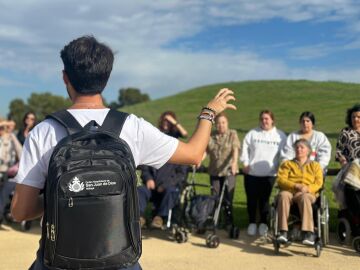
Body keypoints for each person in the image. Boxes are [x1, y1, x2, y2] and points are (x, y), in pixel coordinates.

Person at [10, 36, 236, 270]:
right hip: (119, 259)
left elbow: (20, 211)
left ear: (65, 76)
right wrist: (209, 112)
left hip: (60, 261)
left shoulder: (43, 131)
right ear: (106, 79)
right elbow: (195, 154)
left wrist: (63, 195)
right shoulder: (132, 127)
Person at [138, 111, 188, 229]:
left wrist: (165, 185)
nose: (165, 123)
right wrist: (148, 178)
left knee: (171, 191)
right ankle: (139, 217)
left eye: (168, 121)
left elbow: (181, 174)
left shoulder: (178, 148)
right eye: (164, 120)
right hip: (153, 186)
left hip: (168, 188)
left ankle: (159, 218)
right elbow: (145, 166)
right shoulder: (154, 145)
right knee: (140, 190)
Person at [240, 110, 286, 236]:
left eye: (267, 118)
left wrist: (281, 167)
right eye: (262, 119)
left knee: (265, 200)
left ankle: (264, 223)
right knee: (252, 199)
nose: (264, 121)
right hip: (252, 173)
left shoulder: (280, 135)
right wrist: (245, 163)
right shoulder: (252, 133)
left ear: (272, 120)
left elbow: (284, 155)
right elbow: (244, 149)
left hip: (270, 174)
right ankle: (252, 223)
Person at [276, 139, 323, 245]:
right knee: (283, 195)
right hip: (290, 192)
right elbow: (281, 180)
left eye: (302, 147)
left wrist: (308, 189)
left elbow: (319, 183)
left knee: (305, 197)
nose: (299, 149)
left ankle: (308, 233)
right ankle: (283, 232)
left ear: (308, 151)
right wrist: (295, 185)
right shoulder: (287, 164)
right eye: (297, 147)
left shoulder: (315, 165)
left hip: (307, 193)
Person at [205, 112, 240, 229]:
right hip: (214, 171)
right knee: (214, 197)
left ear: (227, 123)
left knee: (228, 198)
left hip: (228, 171)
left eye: (223, 123)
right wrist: (198, 160)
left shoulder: (232, 134)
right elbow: (206, 150)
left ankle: (229, 222)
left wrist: (235, 163)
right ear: (215, 125)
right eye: (219, 123)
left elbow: (235, 149)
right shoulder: (211, 135)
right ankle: (215, 221)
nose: (221, 125)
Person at [335, 104, 360, 218]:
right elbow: (339, 151)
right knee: (349, 189)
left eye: (358, 117)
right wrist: (344, 163)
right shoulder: (346, 132)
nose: (355, 119)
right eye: (353, 117)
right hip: (351, 168)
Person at [0, 120, 22, 224]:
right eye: (5, 127)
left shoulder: (12, 139)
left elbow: (20, 152)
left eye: (11, 126)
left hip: (7, 172)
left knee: (3, 194)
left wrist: (11, 136)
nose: (7, 129)